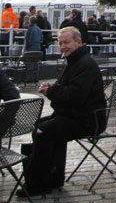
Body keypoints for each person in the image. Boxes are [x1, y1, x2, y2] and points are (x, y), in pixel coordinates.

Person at [17, 26, 106, 198]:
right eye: (60, 43)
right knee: (40, 125)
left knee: (43, 131)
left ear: (78, 42)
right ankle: (51, 177)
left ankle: (38, 184)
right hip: (75, 115)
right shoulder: (74, 61)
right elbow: (65, 88)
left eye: (66, 42)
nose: (63, 47)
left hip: (88, 120)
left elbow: (75, 96)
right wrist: (52, 88)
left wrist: (51, 91)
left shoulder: (85, 64)